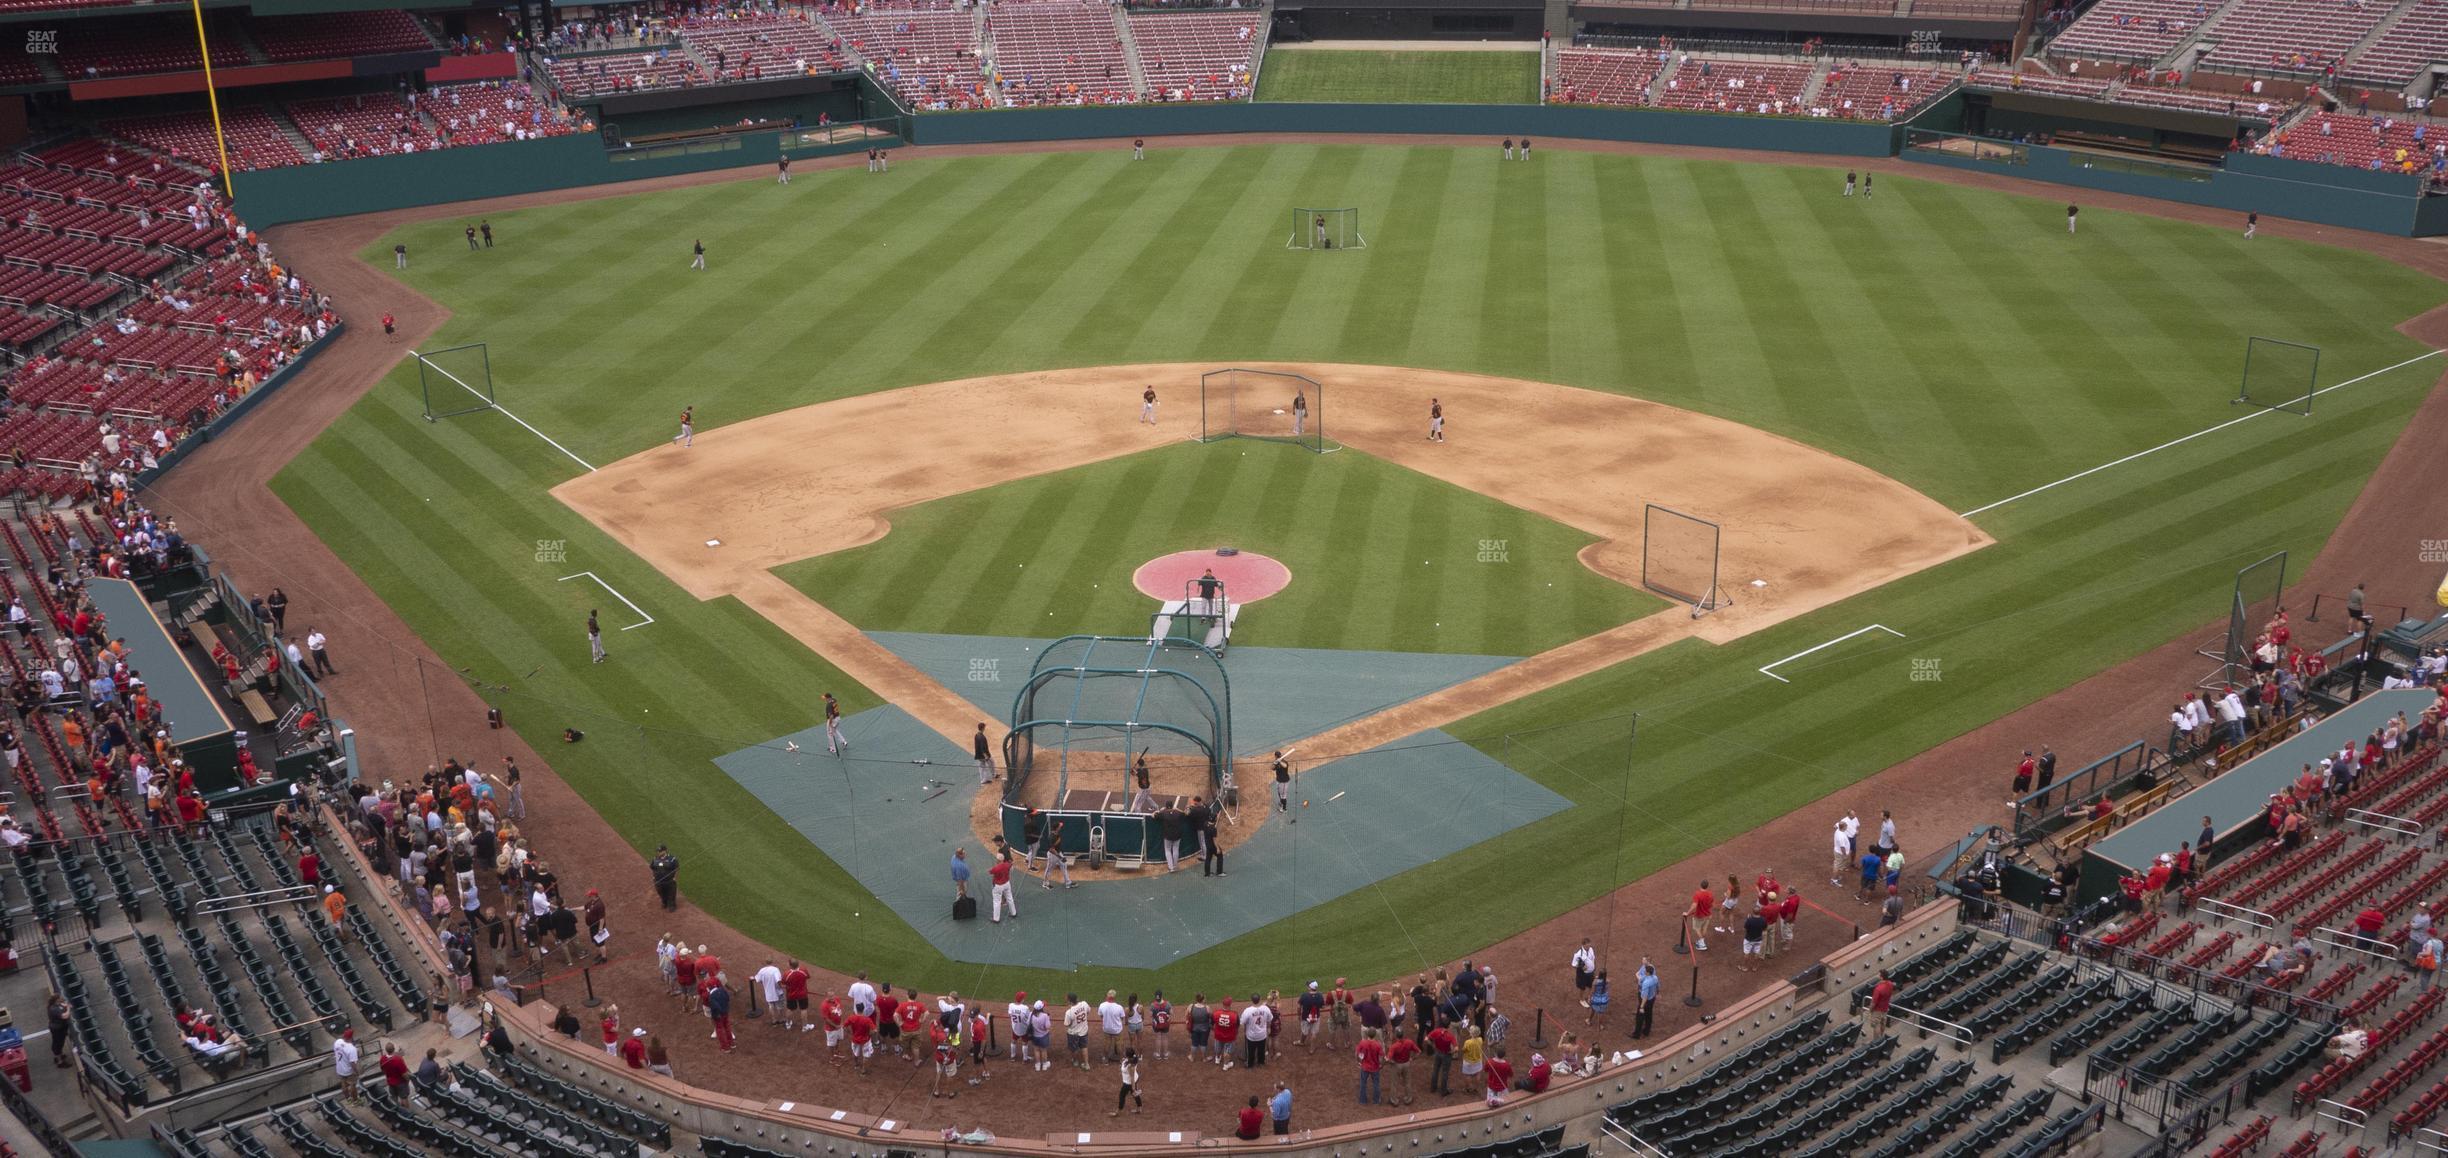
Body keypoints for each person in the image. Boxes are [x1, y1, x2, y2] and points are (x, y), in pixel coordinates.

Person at [1355, 1027, 1384, 1104]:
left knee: (1363, 1083)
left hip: (1364, 1067)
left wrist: (1358, 1062)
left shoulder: (1362, 1043)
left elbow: (1357, 1053)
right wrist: (1381, 1065)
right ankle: (1376, 1100)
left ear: (1367, 1034)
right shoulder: (1378, 1045)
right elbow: (1381, 1057)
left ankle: (1362, 1100)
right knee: (1376, 1084)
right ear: (1375, 1034)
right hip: (1375, 1068)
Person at [990, 847, 1019, 922]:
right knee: (1010, 898)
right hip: (1006, 883)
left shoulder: (996, 868)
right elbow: (1011, 864)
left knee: (996, 901)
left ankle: (996, 919)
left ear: (998, 860)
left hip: (998, 885)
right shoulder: (1007, 864)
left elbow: (990, 872)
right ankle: (1013, 913)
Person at [1685, 878, 1714, 951]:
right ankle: (1701, 941)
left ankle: (1702, 944)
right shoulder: (1710, 894)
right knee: (1704, 929)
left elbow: (1694, 905)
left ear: (1700, 885)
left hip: (1699, 916)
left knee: (1697, 928)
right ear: (1707, 886)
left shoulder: (1698, 894)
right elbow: (1711, 905)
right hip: (1708, 915)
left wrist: (1687, 913)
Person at [332, 1029, 362, 1099]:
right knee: (352, 1085)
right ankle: (355, 1100)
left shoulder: (337, 1042)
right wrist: (357, 1072)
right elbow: (353, 1063)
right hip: (349, 1071)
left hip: (339, 1069)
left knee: (343, 1084)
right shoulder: (352, 1049)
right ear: (351, 1037)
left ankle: (348, 1099)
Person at [45, 991, 70, 1068]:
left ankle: (60, 1055)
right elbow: (65, 1016)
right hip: (57, 1029)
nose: (61, 999)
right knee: (58, 1044)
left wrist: (66, 1005)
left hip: (61, 1028)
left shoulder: (57, 1005)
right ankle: (60, 1062)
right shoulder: (53, 1009)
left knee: (60, 1043)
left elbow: (63, 1005)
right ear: (56, 1000)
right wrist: (68, 1009)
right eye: (59, 998)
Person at [1114, 1047, 1143, 1115]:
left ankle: (1118, 1111)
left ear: (1128, 1056)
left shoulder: (1130, 1066)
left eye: (1125, 1052)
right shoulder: (1133, 1059)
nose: (1124, 1052)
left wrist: (1133, 1088)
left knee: (1122, 1095)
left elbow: (1132, 1077)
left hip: (1128, 1083)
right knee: (1135, 1094)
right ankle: (1139, 1108)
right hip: (1134, 1079)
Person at [651, 845, 679, 910]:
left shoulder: (672, 859)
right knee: (660, 892)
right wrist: (653, 876)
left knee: (671, 893)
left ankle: (671, 905)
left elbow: (677, 868)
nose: (658, 852)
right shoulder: (655, 859)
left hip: (669, 881)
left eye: (660, 851)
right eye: (658, 851)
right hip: (658, 881)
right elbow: (652, 867)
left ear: (665, 851)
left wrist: (675, 878)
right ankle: (664, 902)